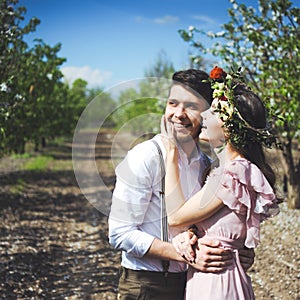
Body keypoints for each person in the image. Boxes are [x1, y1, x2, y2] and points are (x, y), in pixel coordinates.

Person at [108, 69, 255, 300]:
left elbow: (212, 221)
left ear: (208, 114)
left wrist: (239, 251)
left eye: (191, 106)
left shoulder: (208, 165)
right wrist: (185, 254)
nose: (178, 114)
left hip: (196, 283)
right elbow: (120, 234)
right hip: (148, 285)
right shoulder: (145, 157)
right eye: (172, 103)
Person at [162, 66, 280, 299]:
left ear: (230, 127)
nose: (204, 117)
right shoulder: (237, 170)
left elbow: (175, 216)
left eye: (213, 112)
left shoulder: (233, 173)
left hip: (217, 284)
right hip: (217, 277)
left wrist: (171, 155)